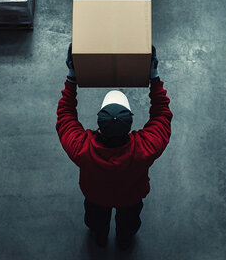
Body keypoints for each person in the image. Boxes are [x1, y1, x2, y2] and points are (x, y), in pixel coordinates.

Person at [56, 44, 173, 249]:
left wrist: (71, 76)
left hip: (95, 196)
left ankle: (99, 236)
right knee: (129, 223)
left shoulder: (81, 149)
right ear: (129, 125)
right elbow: (162, 116)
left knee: (95, 220)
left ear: (99, 124)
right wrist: (154, 77)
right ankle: (125, 239)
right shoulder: (145, 148)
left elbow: (65, 115)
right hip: (131, 198)